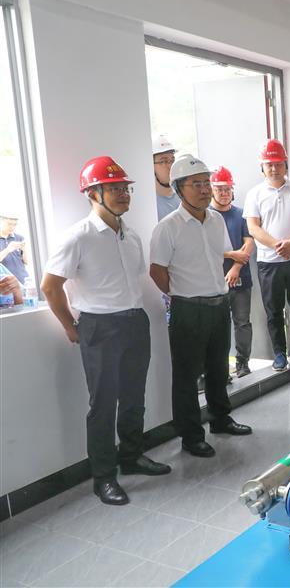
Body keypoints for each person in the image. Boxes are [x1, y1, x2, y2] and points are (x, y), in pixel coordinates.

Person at [41, 156, 171, 506]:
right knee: (102, 404)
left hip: (134, 322)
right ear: (92, 194)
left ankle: (132, 456)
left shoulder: (131, 235)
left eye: (125, 188)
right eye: (113, 189)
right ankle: (103, 477)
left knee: (133, 396)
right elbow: (50, 286)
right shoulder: (78, 237)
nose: (123, 194)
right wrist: (70, 325)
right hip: (99, 327)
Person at [150, 154, 252, 458]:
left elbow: (221, 255)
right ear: (179, 189)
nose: (205, 189)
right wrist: (183, 293)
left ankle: (221, 419)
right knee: (186, 376)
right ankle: (191, 436)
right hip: (188, 310)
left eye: (206, 183)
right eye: (196, 184)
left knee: (218, 368)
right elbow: (157, 271)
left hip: (219, 304)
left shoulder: (216, 220)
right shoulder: (167, 228)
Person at [244, 139, 290, 371]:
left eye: (278, 163)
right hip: (269, 261)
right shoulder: (254, 194)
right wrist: (278, 245)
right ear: (262, 167)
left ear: (285, 164)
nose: (274, 168)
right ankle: (279, 354)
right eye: (269, 164)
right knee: (273, 310)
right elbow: (253, 227)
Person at [210, 166, 255, 378]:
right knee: (218, 327)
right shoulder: (206, 217)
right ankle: (221, 369)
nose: (224, 193)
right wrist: (231, 254)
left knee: (242, 323)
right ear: (212, 190)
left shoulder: (241, 215)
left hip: (241, 279)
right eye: (219, 189)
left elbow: (249, 243)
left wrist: (236, 267)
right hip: (214, 281)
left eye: (227, 189)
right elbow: (206, 248)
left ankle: (243, 363)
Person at [152, 135, 180, 221]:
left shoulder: (183, 197)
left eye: (172, 160)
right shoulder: (149, 203)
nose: (170, 166)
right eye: (163, 161)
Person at [0, 212, 30, 284]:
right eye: (9, 224)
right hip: (6, 283)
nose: (12, 227)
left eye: (15, 224)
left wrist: (24, 250)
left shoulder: (19, 238)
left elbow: (26, 262)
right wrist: (8, 250)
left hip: (23, 279)